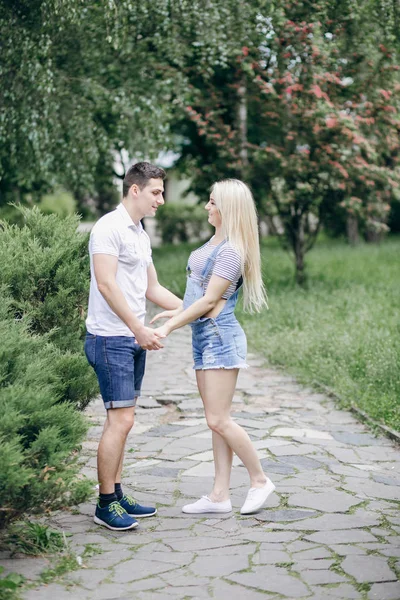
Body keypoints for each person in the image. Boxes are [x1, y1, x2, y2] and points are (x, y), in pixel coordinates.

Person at [152, 179, 275, 515]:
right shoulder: (215, 244)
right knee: (215, 420)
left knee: (219, 419)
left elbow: (209, 301)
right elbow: (201, 297)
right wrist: (177, 310)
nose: (207, 207)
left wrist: (168, 326)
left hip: (219, 340)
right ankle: (220, 495)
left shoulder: (232, 250)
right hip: (204, 340)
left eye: (212, 202)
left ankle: (260, 480)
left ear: (227, 209)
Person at [84, 162, 182, 531]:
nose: (161, 199)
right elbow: (106, 285)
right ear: (135, 189)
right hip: (110, 339)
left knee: (123, 421)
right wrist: (138, 328)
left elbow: (151, 288)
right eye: (156, 191)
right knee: (120, 420)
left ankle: (118, 493)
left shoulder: (140, 233)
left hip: (130, 339)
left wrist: (192, 308)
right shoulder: (108, 228)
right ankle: (105, 503)